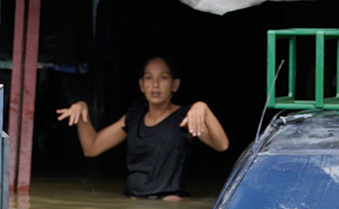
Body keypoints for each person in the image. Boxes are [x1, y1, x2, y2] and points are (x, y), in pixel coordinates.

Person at [56, 56, 229, 201]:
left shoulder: (187, 118)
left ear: (175, 85)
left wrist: (203, 109)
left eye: (163, 77)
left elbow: (222, 145)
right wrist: (81, 112)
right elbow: (92, 148)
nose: (155, 84)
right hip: (134, 204)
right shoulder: (134, 117)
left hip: (168, 207)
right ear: (141, 85)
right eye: (148, 78)